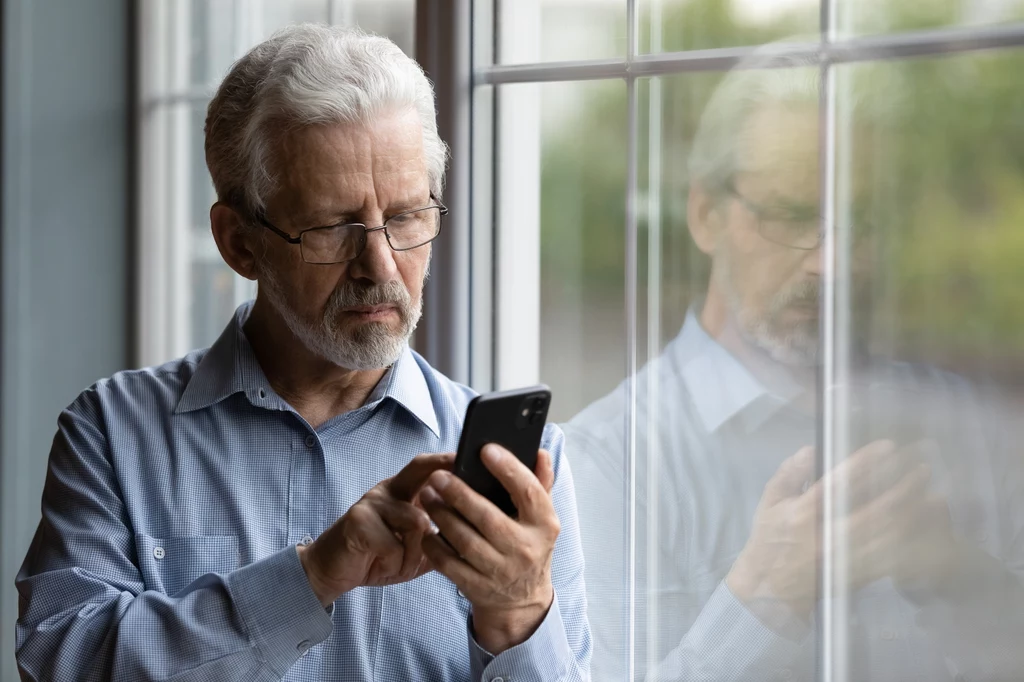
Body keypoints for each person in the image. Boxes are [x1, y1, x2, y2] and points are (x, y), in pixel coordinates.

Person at [16, 24, 590, 682]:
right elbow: (64, 663)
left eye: (405, 217)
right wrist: (310, 576)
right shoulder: (113, 434)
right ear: (238, 242)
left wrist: (517, 614)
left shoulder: (526, 469)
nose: (380, 265)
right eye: (332, 226)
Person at [563, 48, 1024, 682]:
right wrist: (762, 601)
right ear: (705, 215)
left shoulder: (973, 425)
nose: (831, 263)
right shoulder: (606, 463)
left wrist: (961, 577)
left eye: (859, 223)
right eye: (792, 217)